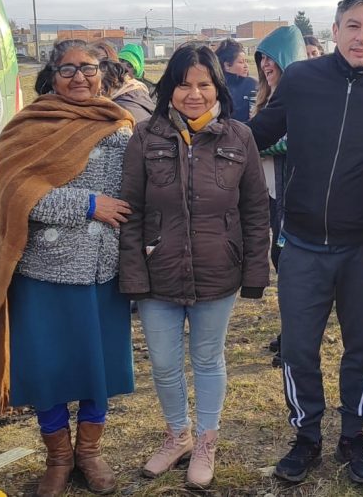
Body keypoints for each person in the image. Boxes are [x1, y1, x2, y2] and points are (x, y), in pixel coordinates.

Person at [248, 0, 363, 485]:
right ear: (335, 29)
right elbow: (257, 133)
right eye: (353, 25)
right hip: (301, 242)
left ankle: (354, 434)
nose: (362, 36)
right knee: (299, 348)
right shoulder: (302, 79)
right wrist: (199, 137)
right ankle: (305, 436)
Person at [0, 39, 136, 497]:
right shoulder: (28, 126)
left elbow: (140, 188)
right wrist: (89, 203)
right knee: (50, 367)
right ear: (50, 77)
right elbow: (17, 190)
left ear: (104, 72)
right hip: (45, 269)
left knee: (97, 368)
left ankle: (90, 454)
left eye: (89, 68)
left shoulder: (120, 125)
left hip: (104, 269)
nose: (79, 77)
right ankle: (58, 458)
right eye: (67, 69)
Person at [119, 42, 269, 489]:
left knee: (207, 359)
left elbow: (256, 211)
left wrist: (255, 272)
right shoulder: (146, 137)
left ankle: (206, 440)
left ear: (217, 87)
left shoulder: (239, 137)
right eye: (184, 84)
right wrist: (133, 272)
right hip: (158, 272)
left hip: (217, 271)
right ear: (169, 89)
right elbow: (130, 210)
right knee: (164, 364)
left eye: (203, 84)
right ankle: (178, 435)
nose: (194, 93)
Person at [253, 25, 308, 269]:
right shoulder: (263, 99)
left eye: (271, 58)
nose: (266, 64)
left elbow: (289, 141)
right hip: (269, 192)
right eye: (262, 58)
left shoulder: (302, 97)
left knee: (283, 254)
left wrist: (254, 145)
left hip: (291, 191)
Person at [94, 41, 154, 123]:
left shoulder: (124, 105)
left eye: (130, 65)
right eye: (121, 61)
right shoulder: (110, 96)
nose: (123, 66)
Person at [215, 38, 257, 122]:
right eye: (241, 62)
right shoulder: (216, 87)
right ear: (227, 65)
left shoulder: (252, 84)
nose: (246, 66)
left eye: (246, 61)